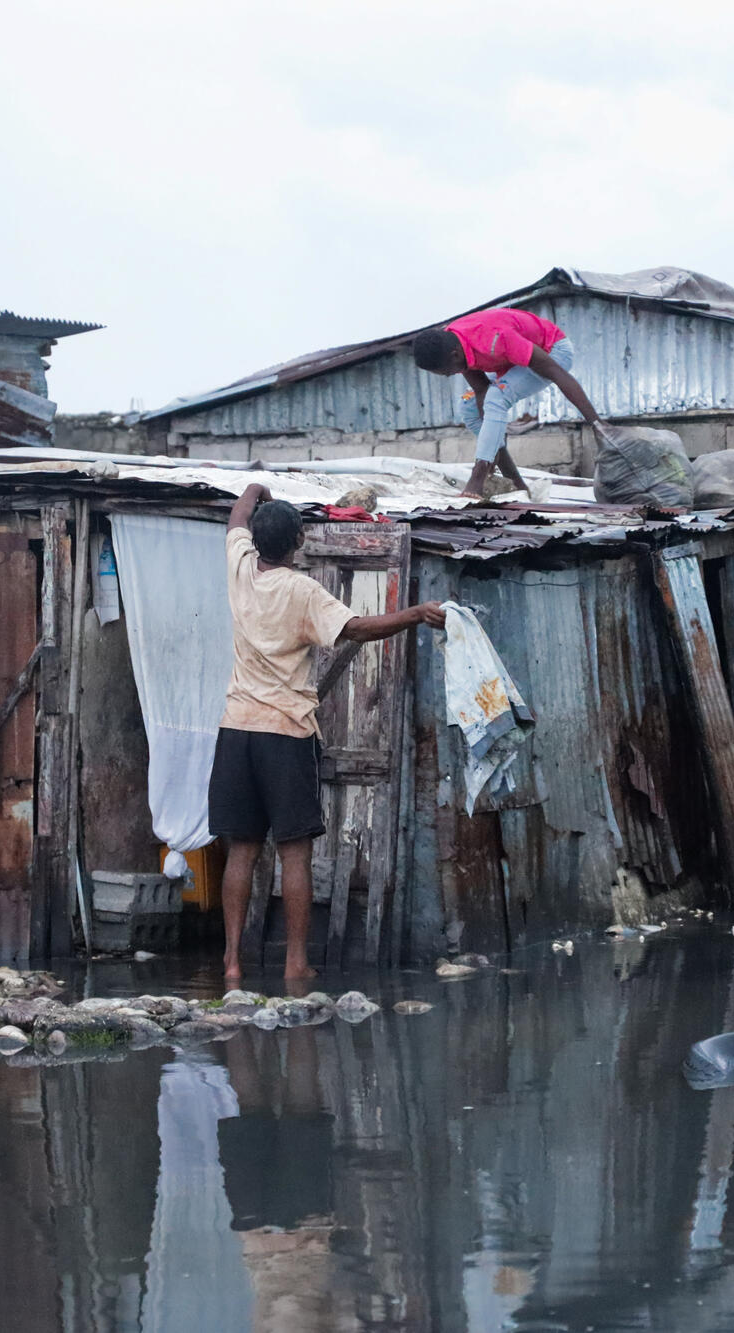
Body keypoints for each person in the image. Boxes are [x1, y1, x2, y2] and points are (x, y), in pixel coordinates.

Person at [212, 483, 444, 984]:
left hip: (236, 732)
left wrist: (256, 488)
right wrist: (415, 614)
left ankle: (232, 962)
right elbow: (357, 628)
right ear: (297, 542)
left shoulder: (238, 568)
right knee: (294, 853)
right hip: (285, 733)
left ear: (256, 540)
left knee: (243, 851)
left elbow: (237, 514)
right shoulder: (301, 591)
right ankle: (296, 963)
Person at [411, 308, 604, 498]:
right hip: (513, 360)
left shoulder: (495, 338)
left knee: (497, 397)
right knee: (469, 408)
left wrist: (597, 425)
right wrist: (493, 444)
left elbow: (557, 373)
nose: (449, 375)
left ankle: (477, 478)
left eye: (448, 371)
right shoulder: (454, 342)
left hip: (553, 352)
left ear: (454, 355)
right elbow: (481, 390)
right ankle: (515, 483)